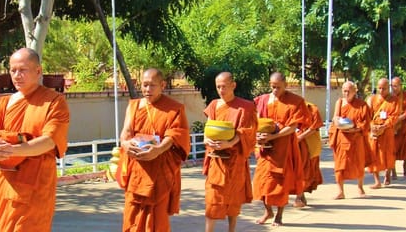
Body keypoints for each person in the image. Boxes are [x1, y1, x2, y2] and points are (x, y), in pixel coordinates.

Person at [0, 48, 71, 232]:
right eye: (13, 70)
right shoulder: (3, 103)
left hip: (36, 186)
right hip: (6, 181)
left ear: (38, 71)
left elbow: (49, 141)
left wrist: (10, 150)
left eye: (23, 70)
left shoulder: (54, 102)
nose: (17, 75)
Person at [119, 68, 191, 232]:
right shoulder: (134, 106)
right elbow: (126, 132)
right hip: (137, 169)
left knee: (157, 219)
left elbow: (176, 134)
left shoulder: (174, 108)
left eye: (152, 85)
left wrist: (158, 149)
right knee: (132, 215)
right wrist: (125, 144)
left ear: (162, 85)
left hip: (159, 170)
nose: (147, 90)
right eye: (144, 85)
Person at [252, 72, 310, 226]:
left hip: (283, 148)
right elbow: (256, 120)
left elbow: (293, 127)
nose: (275, 90)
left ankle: (279, 215)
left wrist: (273, 137)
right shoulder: (263, 100)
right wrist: (257, 135)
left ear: (286, 85)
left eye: (278, 87)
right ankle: (268, 211)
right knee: (261, 181)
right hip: (265, 149)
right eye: (272, 87)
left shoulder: (295, 101)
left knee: (280, 183)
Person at [202, 72, 257, 232]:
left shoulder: (245, 106)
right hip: (216, 160)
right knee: (212, 199)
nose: (221, 90)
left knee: (234, 199)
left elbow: (247, 131)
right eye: (218, 86)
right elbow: (208, 127)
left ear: (233, 85)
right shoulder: (213, 105)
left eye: (224, 86)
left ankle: (231, 230)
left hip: (235, 160)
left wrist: (229, 143)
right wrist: (206, 140)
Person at [329, 81, 373, 200]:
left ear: (355, 91)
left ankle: (360, 187)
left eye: (349, 91)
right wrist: (337, 122)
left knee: (359, 163)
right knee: (339, 165)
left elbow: (366, 122)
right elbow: (335, 117)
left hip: (356, 138)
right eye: (344, 91)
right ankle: (340, 191)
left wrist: (355, 129)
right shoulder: (339, 102)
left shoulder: (362, 105)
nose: (346, 93)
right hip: (341, 137)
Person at [366, 78, 399, 188]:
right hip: (374, 131)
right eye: (379, 88)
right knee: (373, 155)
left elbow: (394, 116)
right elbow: (367, 116)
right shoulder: (372, 99)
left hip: (387, 130)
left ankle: (387, 174)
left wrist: (384, 126)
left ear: (388, 87)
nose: (381, 90)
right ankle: (377, 181)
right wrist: (372, 126)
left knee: (388, 154)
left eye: (384, 88)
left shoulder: (394, 100)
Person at [293, 101, 325, 208]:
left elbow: (314, 127)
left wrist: (300, 137)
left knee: (304, 171)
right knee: (295, 170)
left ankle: (299, 196)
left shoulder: (311, 108)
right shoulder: (288, 107)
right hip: (294, 144)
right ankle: (300, 196)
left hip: (308, 145)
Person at [390, 77, 406, 178]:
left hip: (403, 126)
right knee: (392, 149)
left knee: (405, 149)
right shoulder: (389, 97)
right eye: (392, 86)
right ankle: (393, 170)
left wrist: (401, 117)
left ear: (400, 86)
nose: (393, 88)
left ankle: (405, 166)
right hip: (392, 126)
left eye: (395, 86)